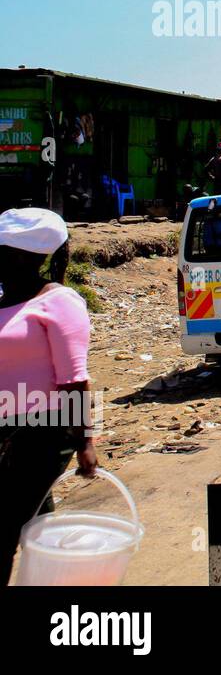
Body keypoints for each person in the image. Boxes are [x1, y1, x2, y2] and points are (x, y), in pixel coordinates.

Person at [0, 208, 97, 584]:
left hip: (41, 432)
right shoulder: (5, 300)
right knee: (34, 527)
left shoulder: (58, 301)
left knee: (8, 526)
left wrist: (85, 440)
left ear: (22, 256)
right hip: (5, 432)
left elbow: (74, 379)